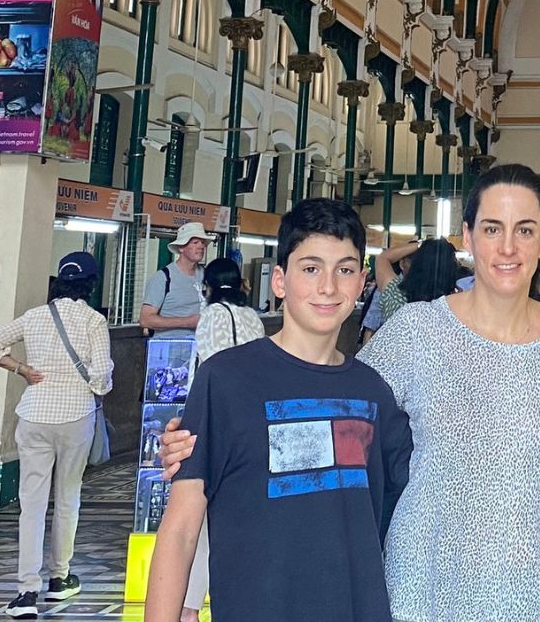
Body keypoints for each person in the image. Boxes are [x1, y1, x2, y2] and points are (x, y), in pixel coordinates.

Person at [144, 198, 412, 622]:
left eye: (344, 270)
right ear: (280, 281)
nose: (328, 287)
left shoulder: (373, 392)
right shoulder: (226, 381)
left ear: (362, 282)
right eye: (311, 269)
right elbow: (179, 530)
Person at [359, 165, 540, 621]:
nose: (508, 247)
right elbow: (336, 407)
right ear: (467, 236)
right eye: (492, 229)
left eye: (524, 230)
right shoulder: (417, 330)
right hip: (429, 587)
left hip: (538, 591)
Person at [0, 252, 113, 618]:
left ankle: (25, 592)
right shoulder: (93, 320)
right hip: (75, 417)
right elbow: (100, 379)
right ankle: (60, 577)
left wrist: (22, 369)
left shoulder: (35, 317)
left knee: (31, 506)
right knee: (68, 499)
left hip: (34, 416)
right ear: (91, 284)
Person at [177, 257, 268, 622]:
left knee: (199, 519)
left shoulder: (209, 317)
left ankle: (188, 608)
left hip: (216, 420)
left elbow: (206, 367)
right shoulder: (254, 319)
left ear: (209, 285)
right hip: (255, 420)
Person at [141, 222, 210, 339]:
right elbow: (146, 320)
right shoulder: (163, 278)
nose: (201, 246)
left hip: (200, 348)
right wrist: (188, 322)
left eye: (203, 243)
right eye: (195, 242)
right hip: (169, 349)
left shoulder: (207, 276)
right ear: (181, 247)